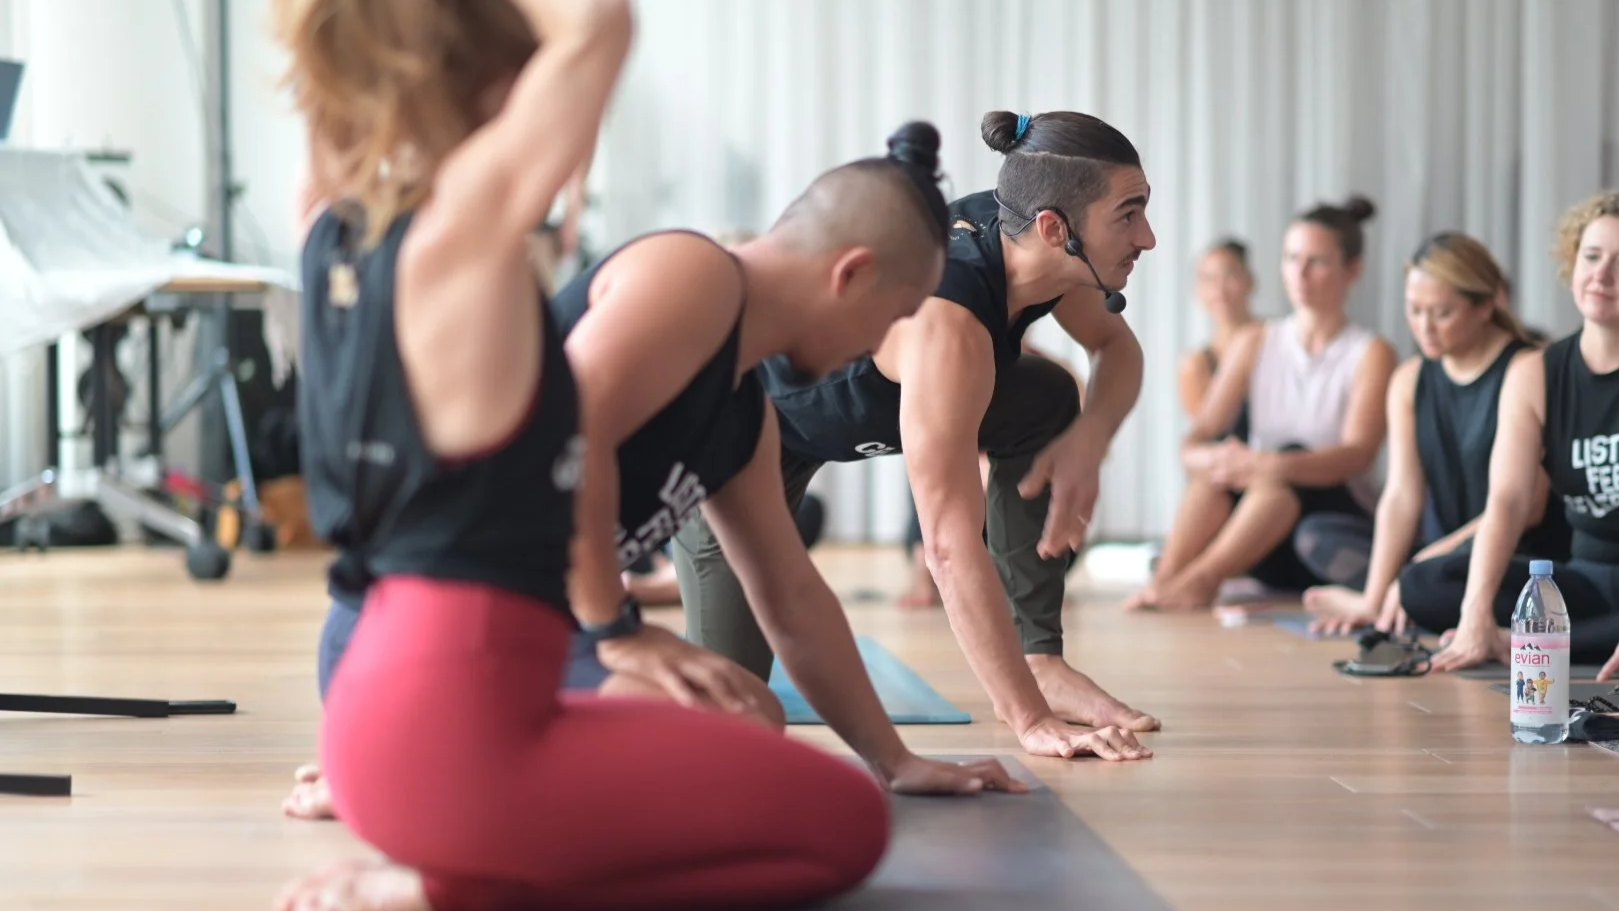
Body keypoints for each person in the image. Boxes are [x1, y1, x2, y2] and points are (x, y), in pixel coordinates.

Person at [271, 2, 908, 909]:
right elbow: (598, 22)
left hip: (384, 709)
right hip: (457, 721)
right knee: (848, 823)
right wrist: (614, 633)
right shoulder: (459, 245)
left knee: (744, 733)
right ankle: (447, 880)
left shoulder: (323, 236)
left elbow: (328, 87)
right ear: (503, 90)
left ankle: (443, 858)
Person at [286, 121, 1034, 817]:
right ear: (850, 274)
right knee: (717, 737)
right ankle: (403, 776)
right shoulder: (692, 275)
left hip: (528, 637)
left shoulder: (744, 416)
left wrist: (893, 760)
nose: (882, 344)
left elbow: (791, 594)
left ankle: (413, 770)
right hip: (419, 632)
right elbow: (568, 437)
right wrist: (615, 626)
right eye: (894, 316)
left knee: (748, 716)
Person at [673, 109, 1163, 761]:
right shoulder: (949, 326)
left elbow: (1113, 346)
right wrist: (1029, 721)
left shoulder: (1032, 246)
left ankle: (1037, 654)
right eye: (1128, 214)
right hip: (739, 439)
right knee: (731, 719)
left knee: (1046, 398)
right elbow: (949, 546)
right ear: (1056, 228)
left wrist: (1089, 440)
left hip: (855, 414)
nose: (1147, 237)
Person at [1128, 196, 1398, 611]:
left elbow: (1358, 455)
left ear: (1352, 270)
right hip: (1262, 532)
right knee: (1215, 477)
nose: (1300, 274)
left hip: (1328, 533)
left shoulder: (1371, 352)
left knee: (1284, 460)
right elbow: (1197, 438)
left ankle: (1201, 581)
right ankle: (1165, 581)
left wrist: (1274, 465)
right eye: (1292, 258)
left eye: (1317, 261)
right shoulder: (1255, 341)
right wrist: (1218, 461)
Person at [1299, 231, 1569, 636]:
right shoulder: (1409, 379)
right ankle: (1384, 597)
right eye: (1414, 310)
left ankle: (1408, 592)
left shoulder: (1526, 370)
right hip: (1440, 552)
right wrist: (1376, 595)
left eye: (1441, 313)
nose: (1424, 327)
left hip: (1519, 557)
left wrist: (1422, 564)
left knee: (1424, 583)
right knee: (1316, 535)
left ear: (1486, 305)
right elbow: (1401, 495)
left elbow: (1526, 507)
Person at [1418, 191, 1619, 673]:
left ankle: (1534, 642)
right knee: (1426, 584)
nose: (1601, 273)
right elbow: (1507, 500)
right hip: (1587, 583)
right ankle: (1533, 638)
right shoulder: (1536, 371)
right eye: (1592, 256)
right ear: (1574, 262)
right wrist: (1475, 614)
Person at [1177, 237, 1256, 433]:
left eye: (1229, 275)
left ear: (1251, 281)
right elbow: (1206, 437)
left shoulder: (1280, 338)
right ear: (1197, 291)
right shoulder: (1195, 366)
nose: (1220, 289)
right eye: (1209, 279)